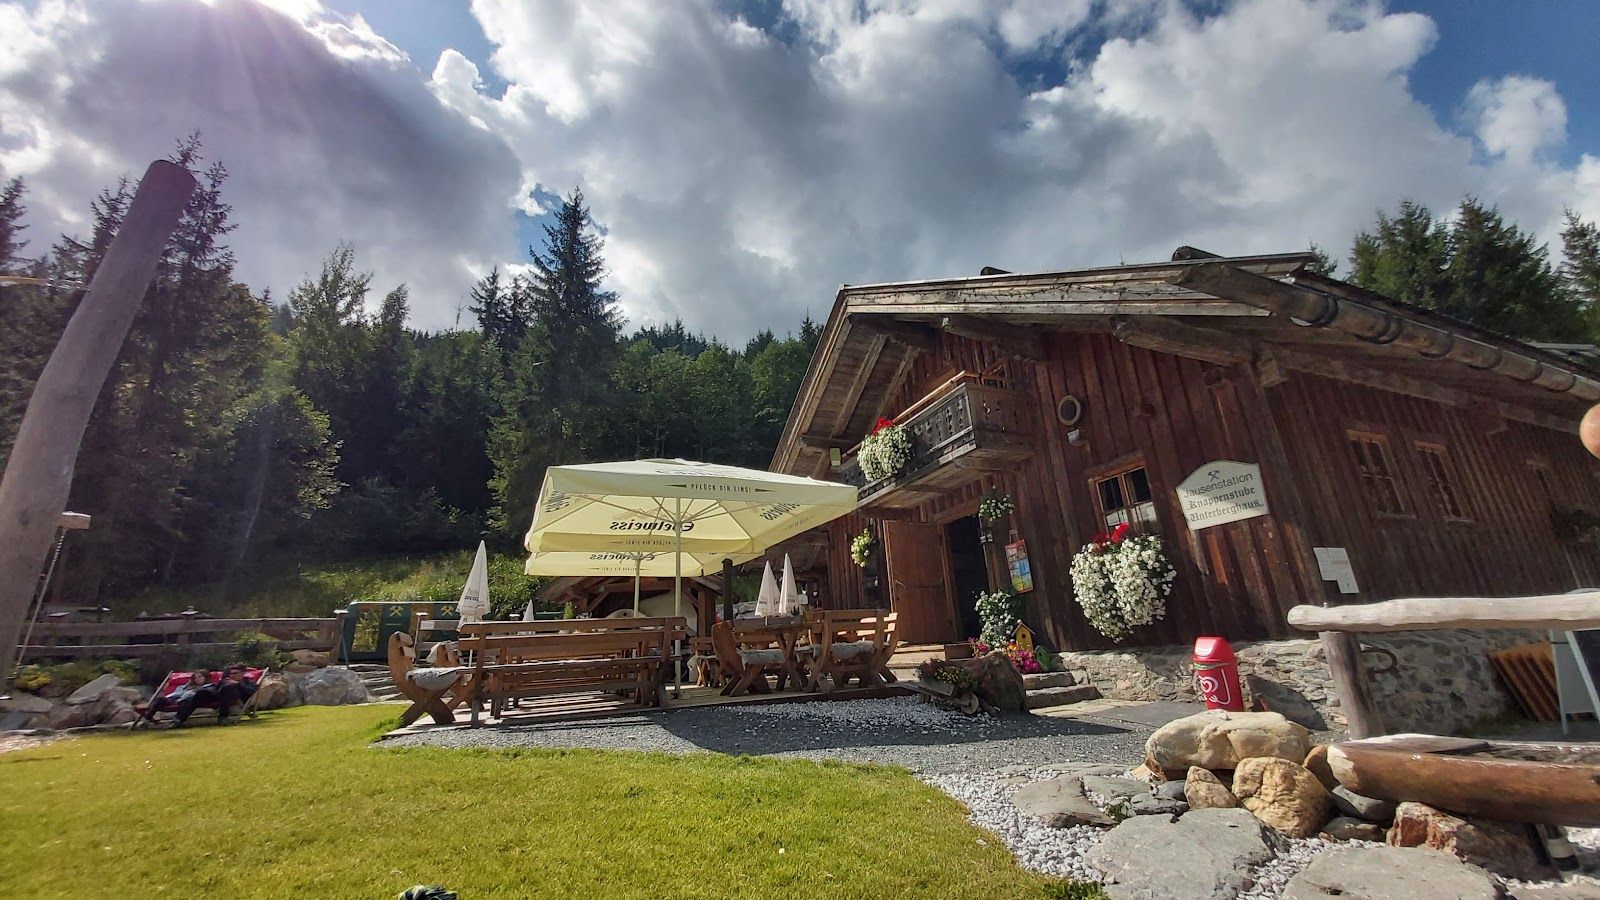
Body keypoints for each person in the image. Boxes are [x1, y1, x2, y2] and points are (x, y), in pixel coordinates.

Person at [140, 669, 210, 727]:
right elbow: (175, 694)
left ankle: (177, 721)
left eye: (200, 677)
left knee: (187, 700)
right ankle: (147, 720)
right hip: (175, 700)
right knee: (160, 699)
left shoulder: (208, 687)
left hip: (187, 702)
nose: (197, 679)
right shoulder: (185, 687)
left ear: (206, 678)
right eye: (195, 677)